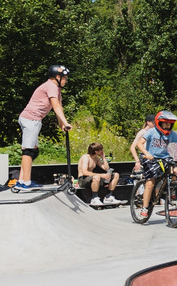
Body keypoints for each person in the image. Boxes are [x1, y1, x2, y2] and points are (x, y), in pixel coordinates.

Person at [12, 64, 71, 193]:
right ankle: (25, 183)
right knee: (28, 151)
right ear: (57, 77)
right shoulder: (51, 86)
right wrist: (66, 122)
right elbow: (55, 106)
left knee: (33, 151)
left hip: (33, 120)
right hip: (30, 119)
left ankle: (21, 180)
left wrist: (62, 123)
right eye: (65, 78)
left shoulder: (56, 88)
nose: (66, 81)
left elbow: (59, 107)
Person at [134, 110, 177, 220]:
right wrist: (146, 153)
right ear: (159, 123)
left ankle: (172, 189)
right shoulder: (151, 132)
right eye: (166, 123)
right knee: (150, 182)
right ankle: (144, 208)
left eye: (170, 124)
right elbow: (139, 144)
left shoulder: (172, 134)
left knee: (176, 171)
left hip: (164, 157)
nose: (168, 126)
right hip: (150, 157)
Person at [78, 142, 120, 207]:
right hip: (83, 179)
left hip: (93, 178)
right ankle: (94, 198)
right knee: (97, 176)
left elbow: (106, 168)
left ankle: (108, 197)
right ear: (96, 151)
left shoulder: (96, 158)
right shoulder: (86, 157)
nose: (103, 151)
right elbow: (84, 172)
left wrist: (103, 158)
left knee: (116, 175)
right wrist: (101, 175)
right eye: (101, 150)